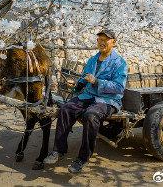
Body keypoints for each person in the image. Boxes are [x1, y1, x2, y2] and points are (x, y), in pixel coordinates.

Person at [44, 29, 128, 173]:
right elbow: (85, 77)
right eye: (99, 39)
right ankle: (59, 150)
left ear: (113, 42)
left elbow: (119, 87)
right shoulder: (92, 60)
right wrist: (79, 84)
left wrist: (97, 81)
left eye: (105, 40)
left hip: (108, 100)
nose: (102, 42)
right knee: (66, 109)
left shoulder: (120, 63)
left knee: (90, 115)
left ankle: (82, 158)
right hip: (88, 96)